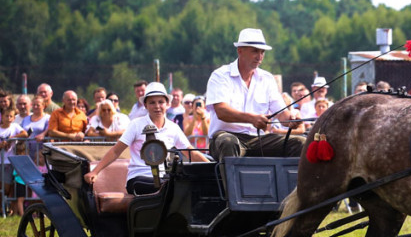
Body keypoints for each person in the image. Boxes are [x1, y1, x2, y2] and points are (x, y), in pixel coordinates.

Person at [85, 83, 210, 195]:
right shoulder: (136, 124)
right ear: (145, 105)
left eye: (161, 102)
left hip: (164, 179)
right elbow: (116, 151)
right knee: (171, 186)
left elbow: (190, 152)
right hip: (138, 179)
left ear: (167, 104)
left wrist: (214, 168)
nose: (157, 106)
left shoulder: (173, 128)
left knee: (186, 186)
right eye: (152, 102)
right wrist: (94, 172)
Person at [205, 28, 304, 160]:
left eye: (262, 52)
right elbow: (222, 111)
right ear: (240, 50)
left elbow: (282, 115)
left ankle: (292, 181)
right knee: (229, 142)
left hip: (258, 139)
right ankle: (231, 181)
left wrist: (292, 118)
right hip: (225, 137)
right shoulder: (220, 76)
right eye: (255, 51)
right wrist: (251, 118)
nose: (260, 56)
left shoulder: (267, 79)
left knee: (300, 143)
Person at [0, 105, 29, 215]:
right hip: (2, 161)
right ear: (2, 117)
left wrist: (12, 138)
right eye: (6, 116)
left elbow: (25, 133)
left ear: (13, 118)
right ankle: (2, 208)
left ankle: (11, 209)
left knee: (10, 187)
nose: (8, 118)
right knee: (4, 187)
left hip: (11, 161)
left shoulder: (15, 126)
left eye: (11, 116)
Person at [20, 96, 50, 163]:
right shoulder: (26, 119)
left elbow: (50, 128)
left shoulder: (48, 118)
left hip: (41, 154)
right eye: (34, 105)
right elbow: (21, 131)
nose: (35, 107)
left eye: (38, 105)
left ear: (43, 106)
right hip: (27, 152)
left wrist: (43, 134)